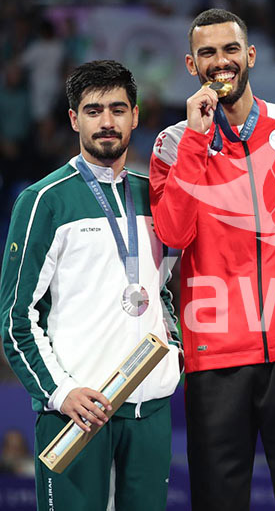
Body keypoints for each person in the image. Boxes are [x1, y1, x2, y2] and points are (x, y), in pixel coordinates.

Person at [149, 9, 275, 511]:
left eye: (230, 49)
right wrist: (196, 139)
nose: (221, 62)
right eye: (207, 53)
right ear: (192, 65)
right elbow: (172, 232)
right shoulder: (172, 143)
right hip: (215, 359)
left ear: (249, 55)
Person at [0, 60, 182, 510]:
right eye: (94, 110)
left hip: (150, 409)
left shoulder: (154, 193)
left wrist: (173, 343)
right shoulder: (44, 200)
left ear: (135, 117)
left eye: (118, 109)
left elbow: (161, 289)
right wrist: (60, 393)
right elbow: (14, 317)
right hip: (78, 412)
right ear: (73, 119)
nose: (107, 122)